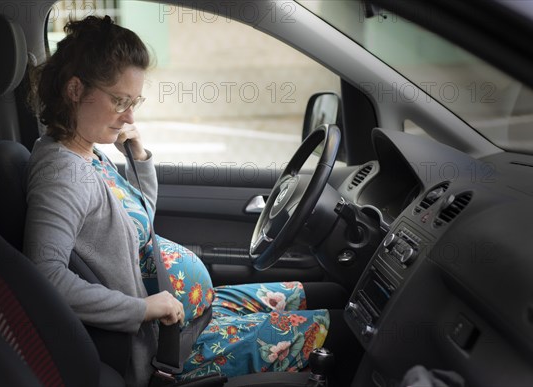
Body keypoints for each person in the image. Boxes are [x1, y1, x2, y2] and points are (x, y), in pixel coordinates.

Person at [24, 15, 332, 387]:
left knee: (328, 295)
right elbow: (44, 276)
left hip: (194, 313)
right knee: (337, 330)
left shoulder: (85, 150)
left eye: (135, 101)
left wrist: (137, 160)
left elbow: (136, 225)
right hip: (171, 345)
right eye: (120, 100)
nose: (129, 115)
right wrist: (143, 309)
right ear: (75, 90)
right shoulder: (63, 173)